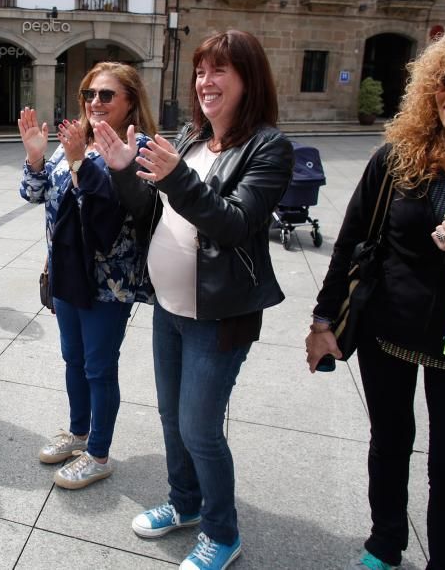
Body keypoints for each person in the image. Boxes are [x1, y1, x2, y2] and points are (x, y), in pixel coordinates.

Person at [306, 10, 445, 570]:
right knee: (389, 446)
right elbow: (351, 242)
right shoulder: (397, 161)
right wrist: (323, 321)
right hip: (387, 334)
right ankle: (385, 542)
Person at [95, 31, 293, 570]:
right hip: (169, 306)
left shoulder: (269, 147)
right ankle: (184, 503)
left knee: (199, 428)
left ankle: (222, 532)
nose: (205, 82)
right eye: (201, 71)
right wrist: (120, 167)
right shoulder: (190, 138)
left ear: (248, 79)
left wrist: (177, 175)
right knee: (170, 417)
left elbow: (234, 224)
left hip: (219, 315)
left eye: (219, 71)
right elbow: (149, 210)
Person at [18, 62, 158, 489]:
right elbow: (36, 195)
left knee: (99, 365)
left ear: (130, 101)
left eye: (106, 95)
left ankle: (98, 452)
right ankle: (78, 432)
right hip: (66, 272)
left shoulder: (140, 146)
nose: (95, 102)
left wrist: (83, 162)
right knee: (72, 358)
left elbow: (119, 209)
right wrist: (37, 157)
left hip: (108, 280)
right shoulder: (72, 140)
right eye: (89, 94)